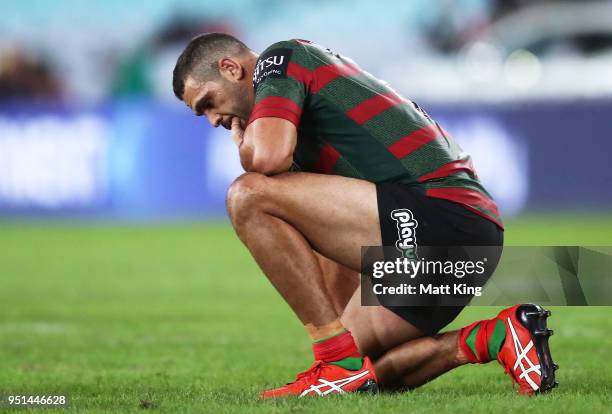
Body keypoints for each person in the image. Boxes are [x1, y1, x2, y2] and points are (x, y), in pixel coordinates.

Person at [172, 33, 557, 397]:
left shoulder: (279, 60)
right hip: (462, 246)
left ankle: (335, 360)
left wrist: (244, 145)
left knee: (247, 195)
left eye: (208, 102)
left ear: (230, 68)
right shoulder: (301, 126)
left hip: (442, 215)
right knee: (367, 371)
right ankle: (497, 336)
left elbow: (267, 157)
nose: (213, 120)